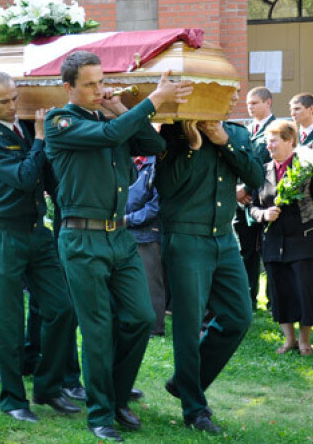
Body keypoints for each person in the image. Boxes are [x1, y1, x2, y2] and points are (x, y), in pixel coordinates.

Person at [44, 51, 192, 442]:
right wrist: (154, 100)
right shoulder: (60, 122)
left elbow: (152, 147)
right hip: (82, 238)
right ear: (69, 87)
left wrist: (120, 107)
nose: (98, 90)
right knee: (97, 328)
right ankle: (100, 414)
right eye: (89, 85)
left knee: (142, 317)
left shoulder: (108, 118)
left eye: (100, 82)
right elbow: (110, 138)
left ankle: (118, 394)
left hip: (119, 236)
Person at [0, 71, 79, 422]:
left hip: (37, 232)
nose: (12, 105)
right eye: (4, 101)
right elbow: (22, 178)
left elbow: (49, 179)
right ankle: (13, 399)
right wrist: (38, 139)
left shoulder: (27, 133)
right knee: (8, 320)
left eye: (15, 97)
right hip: (2, 235)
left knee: (62, 307)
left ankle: (48, 388)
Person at [156, 106, 264, 434]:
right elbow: (167, 187)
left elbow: (256, 177)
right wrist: (193, 144)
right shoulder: (174, 132)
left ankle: (187, 382)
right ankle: (195, 409)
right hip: (186, 237)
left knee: (238, 316)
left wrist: (224, 140)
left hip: (224, 238)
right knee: (188, 325)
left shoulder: (239, 132)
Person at [249, 121, 313, 356]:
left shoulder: (306, 167)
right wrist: (263, 214)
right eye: (267, 141)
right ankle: (289, 340)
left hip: (303, 240)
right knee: (280, 291)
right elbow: (252, 207)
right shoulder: (262, 170)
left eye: (274, 140)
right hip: (274, 242)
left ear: (290, 141)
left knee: (304, 291)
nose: (269, 146)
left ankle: (305, 341)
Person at [235, 87, 276, 309]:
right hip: (242, 201)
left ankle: (272, 301)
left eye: (254, 103)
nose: (250, 107)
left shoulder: (275, 128)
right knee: (246, 250)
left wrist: (247, 188)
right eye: (248, 104)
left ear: (267, 103)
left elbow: (267, 166)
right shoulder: (248, 129)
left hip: (262, 197)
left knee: (267, 251)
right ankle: (248, 299)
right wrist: (238, 189)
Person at [125, 154, 166, 337]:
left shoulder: (156, 166)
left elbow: (155, 206)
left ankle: (155, 328)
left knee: (151, 283)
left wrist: (126, 220)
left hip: (148, 234)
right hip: (123, 232)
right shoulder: (126, 161)